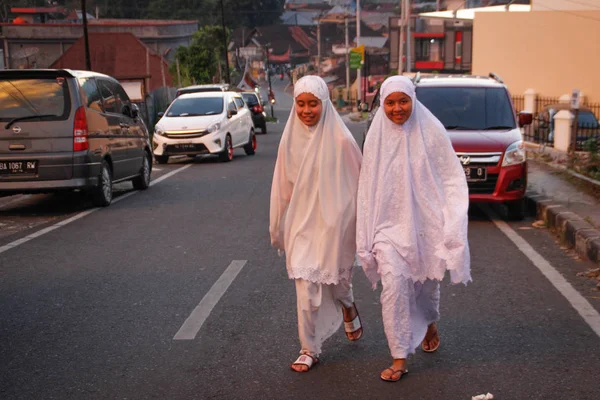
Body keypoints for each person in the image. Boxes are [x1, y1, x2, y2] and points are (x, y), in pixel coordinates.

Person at [356, 76, 471, 382]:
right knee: (394, 287)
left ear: (413, 100)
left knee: (425, 283)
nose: (397, 109)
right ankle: (399, 355)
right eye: (390, 102)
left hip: (425, 224)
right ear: (382, 103)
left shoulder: (431, 131)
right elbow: (367, 187)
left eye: (403, 101)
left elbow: (450, 176)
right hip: (387, 228)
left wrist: (452, 217)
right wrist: (365, 234)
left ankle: (429, 322)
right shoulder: (376, 136)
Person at [270, 75, 364, 372]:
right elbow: (282, 186)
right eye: (301, 104)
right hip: (301, 224)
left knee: (336, 281)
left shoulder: (342, 141)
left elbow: (360, 184)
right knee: (306, 284)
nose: (307, 110)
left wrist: (352, 221)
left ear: (325, 104)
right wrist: (277, 226)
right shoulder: (289, 140)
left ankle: (348, 305)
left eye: (313, 104)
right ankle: (309, 348)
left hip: (334, 224)